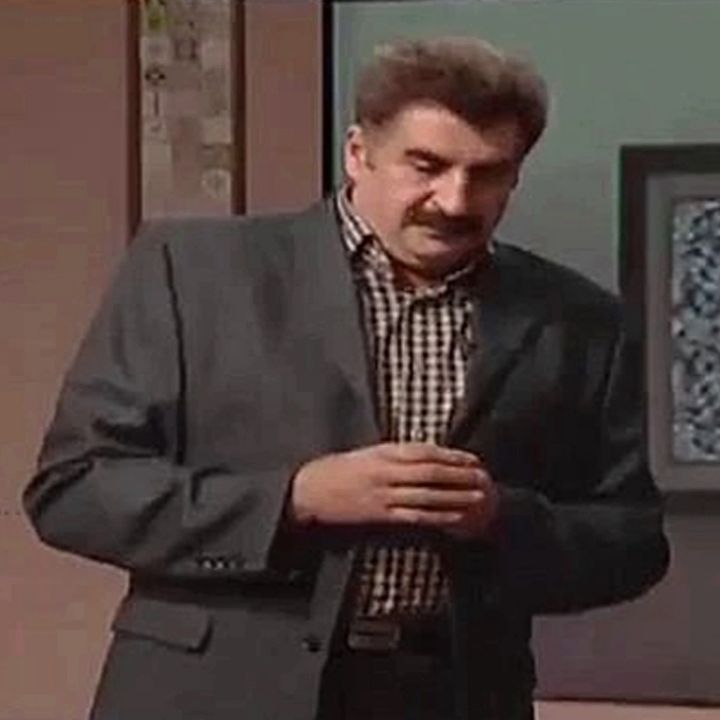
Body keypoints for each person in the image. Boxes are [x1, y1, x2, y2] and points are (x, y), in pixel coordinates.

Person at [23, 36, 669, 720]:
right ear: (358, 153)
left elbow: (631, 544)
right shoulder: (191, 274)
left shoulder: (581, 322)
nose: (454, 200)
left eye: (488, 173)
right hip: (210, 697)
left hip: (452, 698)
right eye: (427, 165)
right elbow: (74, 490)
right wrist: (294, 498)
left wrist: (497, 519)